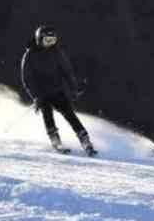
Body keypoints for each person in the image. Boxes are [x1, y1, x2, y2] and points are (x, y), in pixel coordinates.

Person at [21, 25, 97, 155]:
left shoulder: (56, 52)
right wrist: (36, 96)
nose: (50, 44)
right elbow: (28, 79)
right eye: (47, 41)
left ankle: (85, 139)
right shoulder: (30, 55)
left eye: (52, 41)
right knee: (47, 114)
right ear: (39, 40)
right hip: (41, 92)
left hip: (57, 90)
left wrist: (73, 88)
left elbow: (67, 71)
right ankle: (55, 140)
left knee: (69, 113)